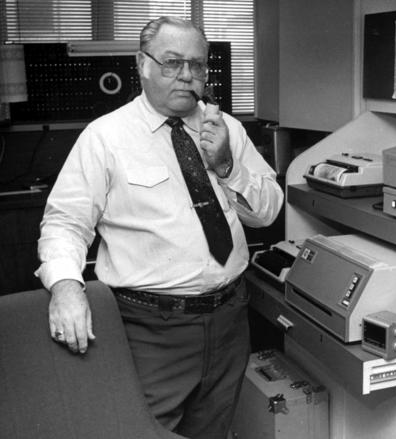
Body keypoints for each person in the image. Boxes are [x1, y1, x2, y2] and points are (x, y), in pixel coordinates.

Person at [36, 16, 283, 439]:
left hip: (229, 318)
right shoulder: (106, 137)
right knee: (144, 430)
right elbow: (65, 222)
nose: (187, 76)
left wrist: (226, 164)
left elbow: (267, 213)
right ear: (142, 64)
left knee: (215, 428)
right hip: (150, 327)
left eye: (198, 65)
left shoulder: (227, 129)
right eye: (172, 62)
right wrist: (65, 287)